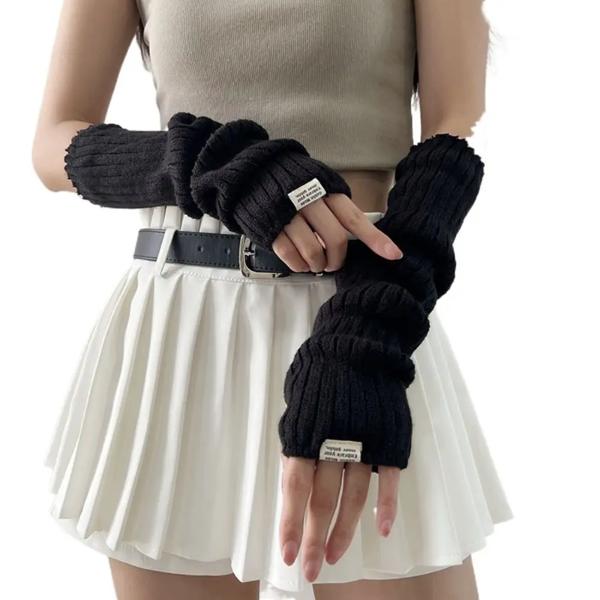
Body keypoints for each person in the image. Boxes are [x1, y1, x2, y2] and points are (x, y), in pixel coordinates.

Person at [32, 1, 512, 598]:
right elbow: (54, 140)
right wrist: (214, 163)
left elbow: (454, 132)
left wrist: (366, 334)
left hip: (365, 318)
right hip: (182, 331)